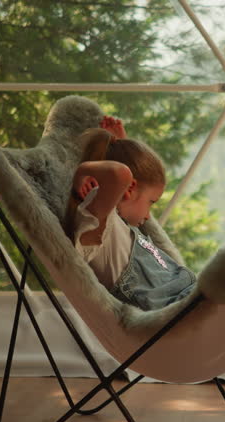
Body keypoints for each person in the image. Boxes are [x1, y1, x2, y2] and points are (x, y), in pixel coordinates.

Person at [64, 116, 196, 311]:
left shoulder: (122, 227)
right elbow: (119, 175)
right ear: (128, 189)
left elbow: (124, 176)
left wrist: (121, 146)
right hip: (174, 312)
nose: (147, 214)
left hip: (189, 295)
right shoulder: (98, 223)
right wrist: (82, 172)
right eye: (151, 202)